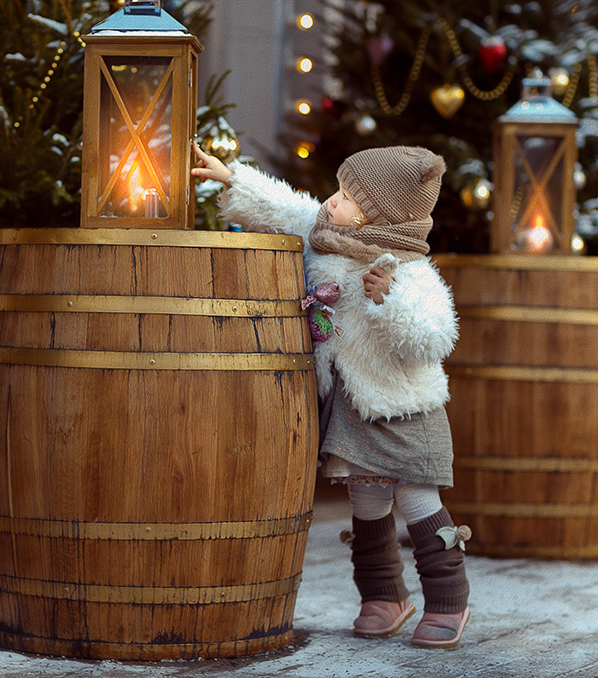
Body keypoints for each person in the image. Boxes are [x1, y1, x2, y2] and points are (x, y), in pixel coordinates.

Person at [192, 141, 471, 649]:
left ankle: (450, 599)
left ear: (372, 216)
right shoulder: (326, 238)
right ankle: (384, 595)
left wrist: (387, 300)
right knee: (366, 501)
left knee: (414, 497)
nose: (330, 201)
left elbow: (433, 337)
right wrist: (232, 178)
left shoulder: (408, 272)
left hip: (400, 406)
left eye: (345, 196)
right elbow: (284, 207)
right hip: (352, 404)